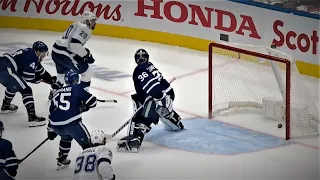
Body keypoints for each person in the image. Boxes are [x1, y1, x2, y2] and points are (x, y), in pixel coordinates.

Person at [117, 49, 184, 153]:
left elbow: (153, 88)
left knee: (142, 119)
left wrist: (160, 99)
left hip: (158, 97)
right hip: (168, 94)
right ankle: (174, 120)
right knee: (156, 109)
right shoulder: (149, 65)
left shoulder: (139, 70)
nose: (140, 59)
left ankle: (136, 139)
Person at [46, 71, 97, 170]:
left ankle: (62, 159)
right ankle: (91, 166)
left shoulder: (56, 92)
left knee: (66, 138)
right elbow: (93, 102)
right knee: (87, 144)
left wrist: (50, 129)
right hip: (72, 124)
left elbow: (51, 112)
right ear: (76, 80)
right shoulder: (77, 88)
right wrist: (85, 106)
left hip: (55, 126)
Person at [0, 41, 58, 127]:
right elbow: (29, 78)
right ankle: (32, 118)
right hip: (6, 69)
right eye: (44, 53)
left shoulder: (31, 54)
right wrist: (44, 80)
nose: (44, 56)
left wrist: (50, 80)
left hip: (4, 66)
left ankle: (6, 106)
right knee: (26, 90)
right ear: (38, 52)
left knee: (14, 85)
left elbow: (41, 71)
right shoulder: (32, 57)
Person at [49, 11, 97, 100]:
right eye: (93, 21)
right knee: (87, 72)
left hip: (56, 51)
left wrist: (84, 53)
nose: (95, 23)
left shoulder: (76, 24)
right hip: (65, 53)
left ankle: (54, 92)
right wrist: (86, 55)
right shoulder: (85, 28)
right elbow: (74, 45)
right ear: (87, 21)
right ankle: (83, 97)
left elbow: (71, 42)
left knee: (61, 76)